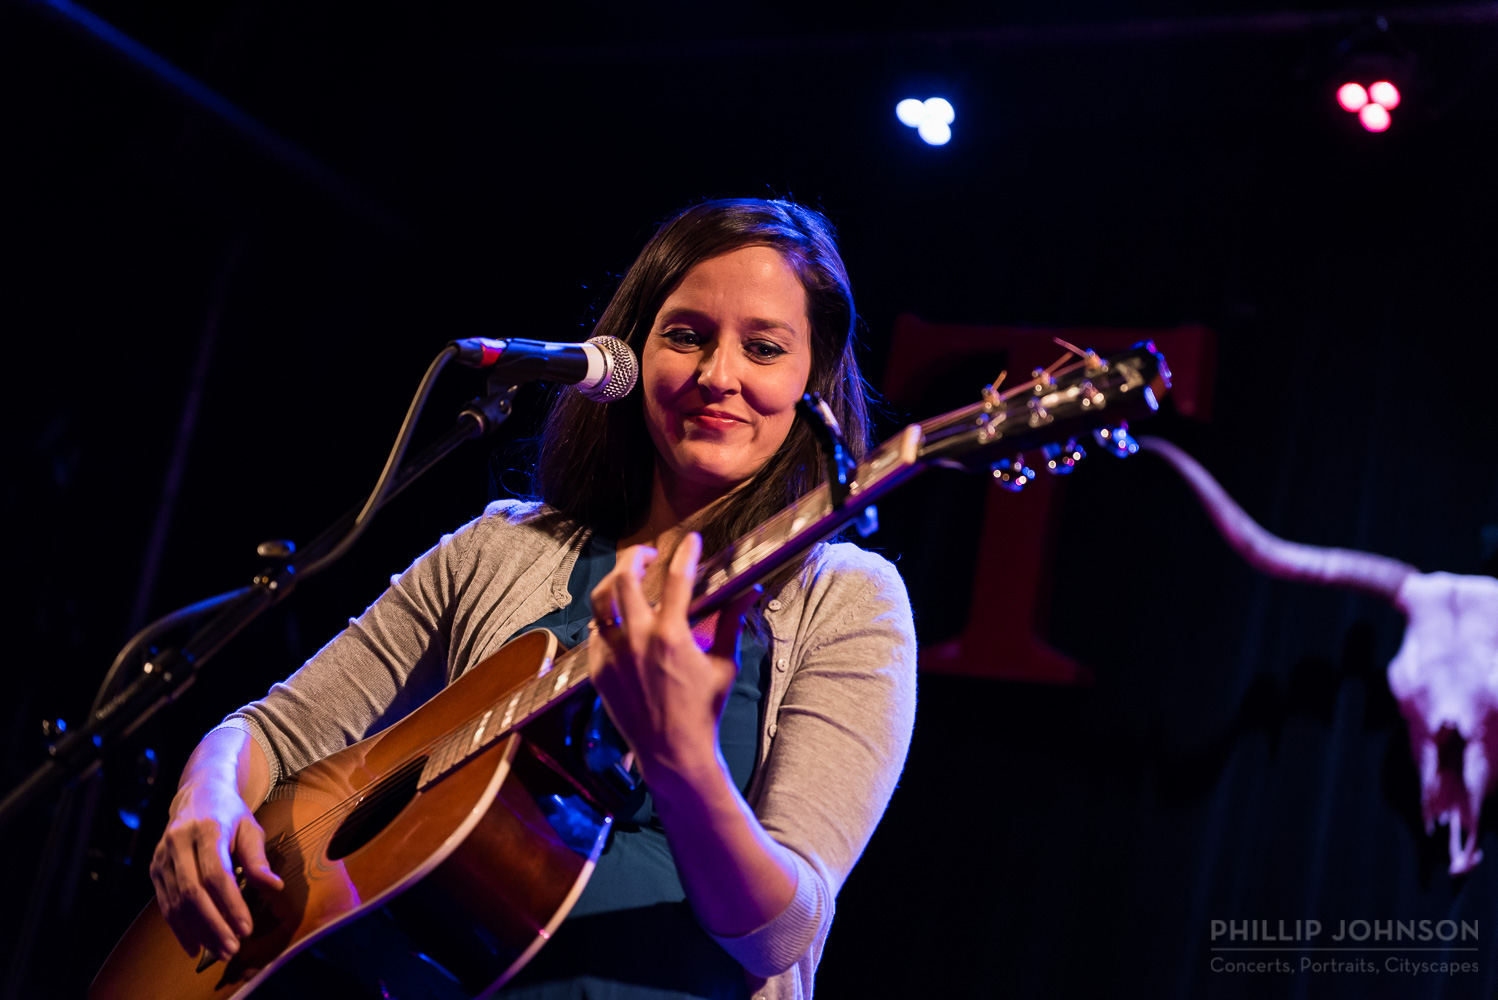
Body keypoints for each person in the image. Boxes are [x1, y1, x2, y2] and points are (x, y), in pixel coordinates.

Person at [148, 198, 918, 1000]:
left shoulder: (847, 601)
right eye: (686, 335)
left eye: (763, 348)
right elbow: (275, 730)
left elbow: (781, 935)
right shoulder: (502, 546)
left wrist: (683, 759)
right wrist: (204, 793)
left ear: (812, 383)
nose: (717, 375)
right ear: (629, 352)